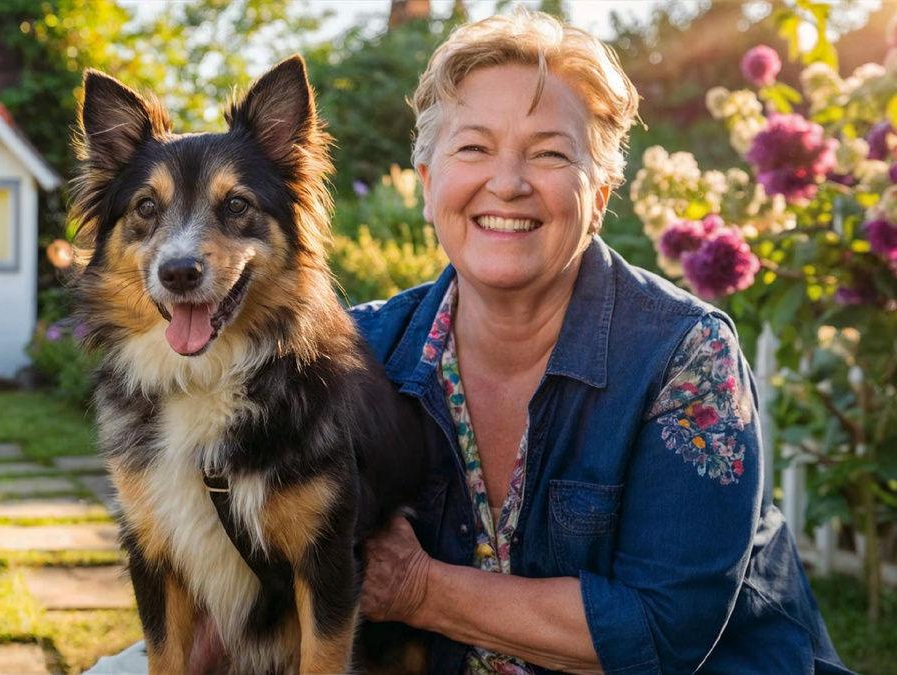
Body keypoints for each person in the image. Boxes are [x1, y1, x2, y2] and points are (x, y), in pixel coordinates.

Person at [352, 9, 853, 675]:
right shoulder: (359, 352)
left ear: (600, 196)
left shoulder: (688, 355)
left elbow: (661, 630)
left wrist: (420, 588)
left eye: (550, 152)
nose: (507, 182)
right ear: (426, 185)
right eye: (473, 147)